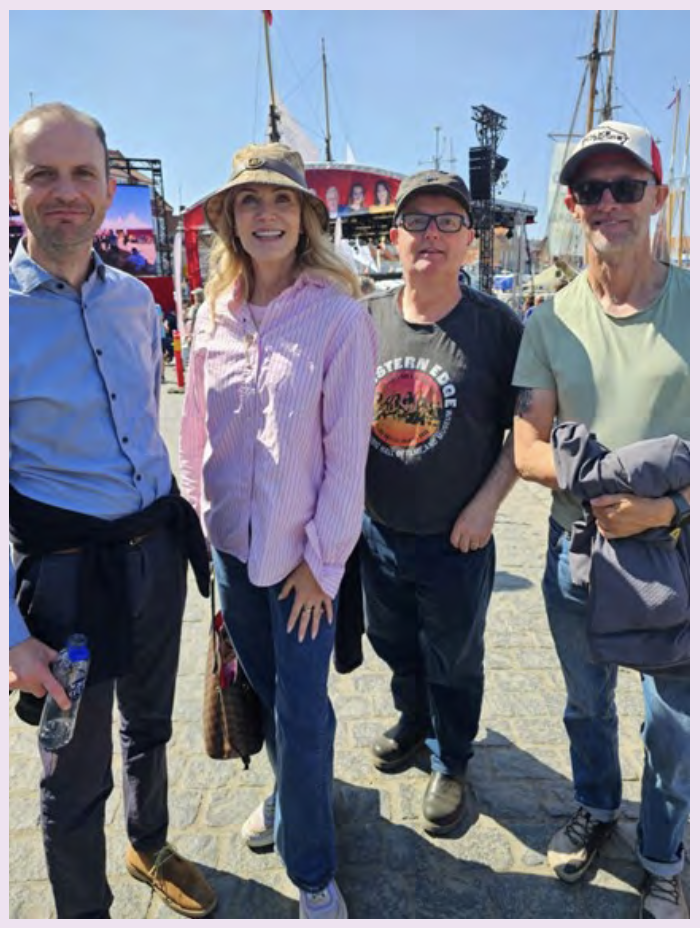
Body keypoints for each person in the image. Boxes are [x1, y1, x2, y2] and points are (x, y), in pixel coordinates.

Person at [9, 102, 217, 919]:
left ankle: (151, 840)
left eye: (83, 175)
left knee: (151, 722)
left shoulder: (137, 303)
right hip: (65, 583)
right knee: (71, 769)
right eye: (44, 174)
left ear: (107, 188)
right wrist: (12, 637)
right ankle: (82, 911)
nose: (67, 192)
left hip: (153, 554)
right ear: (13, 186)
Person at [179, 141, 377, 919]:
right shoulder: (209, 315)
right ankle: (295, 790)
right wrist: (203, 517)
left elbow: (346, 458)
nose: (267, 214)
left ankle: (313, 868)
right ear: (229, 217)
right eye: (251, 201)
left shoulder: (339, 318)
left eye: (283, 201)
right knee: (268, 695)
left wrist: (321, 563)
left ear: (306, 218)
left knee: (300, 706)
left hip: (303, 564)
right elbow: (194, 428)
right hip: (234, 553)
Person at [512, 119, 690, 919]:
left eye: (626, 187)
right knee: (587, 702)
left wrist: (666, 507)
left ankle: (662, 853)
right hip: (578, 549)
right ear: (574, 206)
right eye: (592, 189)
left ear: (658, 197)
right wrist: (602, 488)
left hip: (675, 550)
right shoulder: (551, 320)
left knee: (673, 725)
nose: (610, 202)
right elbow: (526, 445)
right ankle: (595, 806)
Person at [360, 169, 523, 836]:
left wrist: (486, 506)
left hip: (458, 538)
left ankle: (452, 761)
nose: (432, 233)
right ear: (394, 238)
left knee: (454, 656)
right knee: (393, 643)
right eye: (418, 222)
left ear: (469, 242)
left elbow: (529, 430)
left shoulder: (496, 327)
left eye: (448, 222)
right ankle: (413, 722)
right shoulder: (363, 318)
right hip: (378, 532)